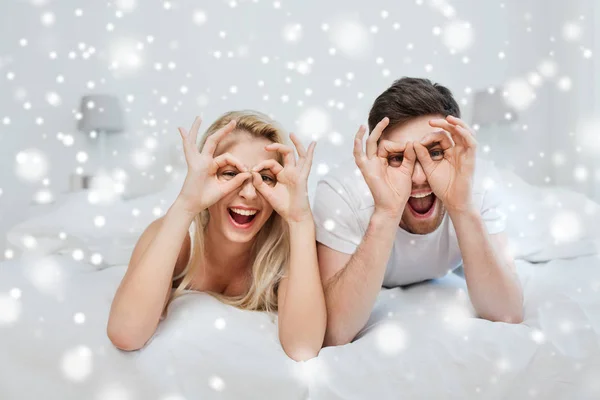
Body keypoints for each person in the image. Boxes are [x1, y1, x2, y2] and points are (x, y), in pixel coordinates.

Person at [313, 77, 524, 347]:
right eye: (398, 158)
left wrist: (461, 207)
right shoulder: (341, 192)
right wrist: (386, 212)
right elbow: (334, 333)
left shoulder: (479, 181)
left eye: (434, 152)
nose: (418, 177)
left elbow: (507, 313)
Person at [107, 110, 326, 361]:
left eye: (265, 178)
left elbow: (303, 349)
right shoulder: (176, 237)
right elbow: (125, 334)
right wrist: (186, 204)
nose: (249, 193)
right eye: (231, 173)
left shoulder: (285, 251)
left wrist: (300, 221)